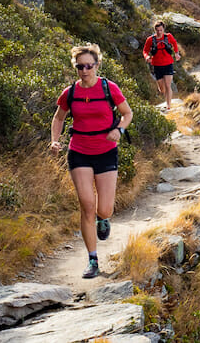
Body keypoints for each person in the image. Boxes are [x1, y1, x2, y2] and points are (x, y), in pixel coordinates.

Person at [49, 43, 133, 279]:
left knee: (104, 208)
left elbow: (127, 113)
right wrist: (55, 140)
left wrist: (119, 130)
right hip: (79, 151)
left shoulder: (109, 88)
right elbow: (58, 118)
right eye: (80, 67)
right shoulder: (70, 93)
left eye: (89, 66)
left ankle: (103, 219)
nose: (84, 70)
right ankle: (93, 260)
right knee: (86, 205)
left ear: (97, 65)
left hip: (106, 150)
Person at [143, 20, 181, 109]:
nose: (159, 32)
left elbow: (174, 43)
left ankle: (168, 105)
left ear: (163, 29)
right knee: (162, 89)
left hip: (168, 64)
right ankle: (165, 96)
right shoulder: (150, 39)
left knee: (168, 85)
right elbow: (145, 50)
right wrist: (147, 57)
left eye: (161, 30)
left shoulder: (168, 36)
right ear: (155, 30)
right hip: (157, 65)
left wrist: (176, 53)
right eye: (157, 30)